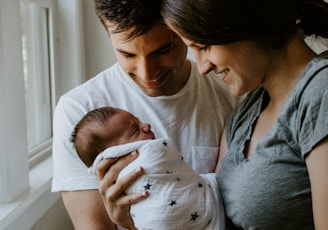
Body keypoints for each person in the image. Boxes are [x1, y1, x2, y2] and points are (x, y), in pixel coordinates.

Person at [96, 0, 328, 229]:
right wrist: (135, 222)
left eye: (204, 47)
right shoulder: (247, 111)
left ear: (245, 22)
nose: (203, 67)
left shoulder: (321, 90)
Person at [51, 0, 237, 229]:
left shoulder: (231, 96)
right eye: (127, 54)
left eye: (163, 50)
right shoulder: (78, 112)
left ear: (184, 30)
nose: (146, 73)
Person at [71, 106, 226, 230]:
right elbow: (163, 150)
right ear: (115, 154)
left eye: (139, 121)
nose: (146, 125)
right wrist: (129, 224)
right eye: (134, 130)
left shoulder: (221, 98)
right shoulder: (74, 106)